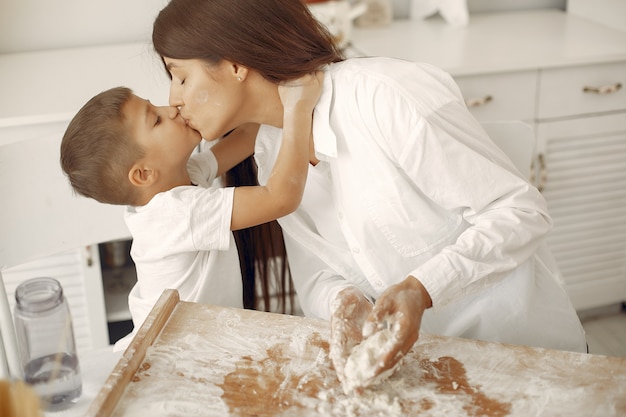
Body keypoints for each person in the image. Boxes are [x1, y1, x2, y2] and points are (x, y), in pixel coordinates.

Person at [152, 0, 588, 391]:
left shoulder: (384, 96)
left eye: (180, 76)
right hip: (427, 379)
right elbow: (318, 274)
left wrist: (424, 288)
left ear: (235, 64)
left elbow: (520, 211)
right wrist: (344, 302)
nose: (173, 100)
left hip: (525, 360)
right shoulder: (270, 153)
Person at [59, 72, 323, 348]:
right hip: (163, 353)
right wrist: (299, 109)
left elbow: (246, 136)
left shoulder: (183, 178)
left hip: (193, 342)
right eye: (156, 119)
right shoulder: (176, 214)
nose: (171, 109)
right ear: (145, 174)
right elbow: (280, 197)